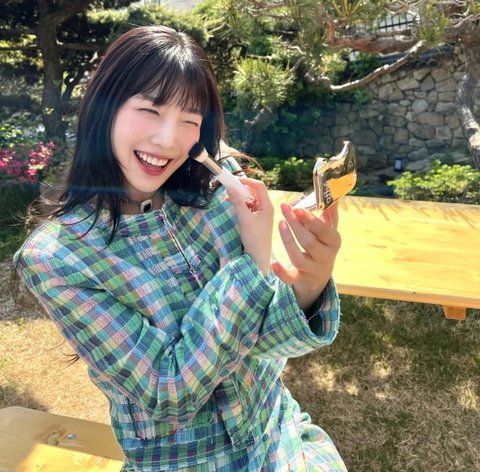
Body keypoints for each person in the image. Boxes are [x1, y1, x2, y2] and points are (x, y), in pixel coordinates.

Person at [14, 26, 347, 471]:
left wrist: (310, 283)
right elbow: (169, 393)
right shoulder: (58, 258)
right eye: (150, 110)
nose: (169, 140)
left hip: (279, 439)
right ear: (103, 107)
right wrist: (252, 260)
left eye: (190, 119)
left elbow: (262, 344)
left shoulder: (219, 188)